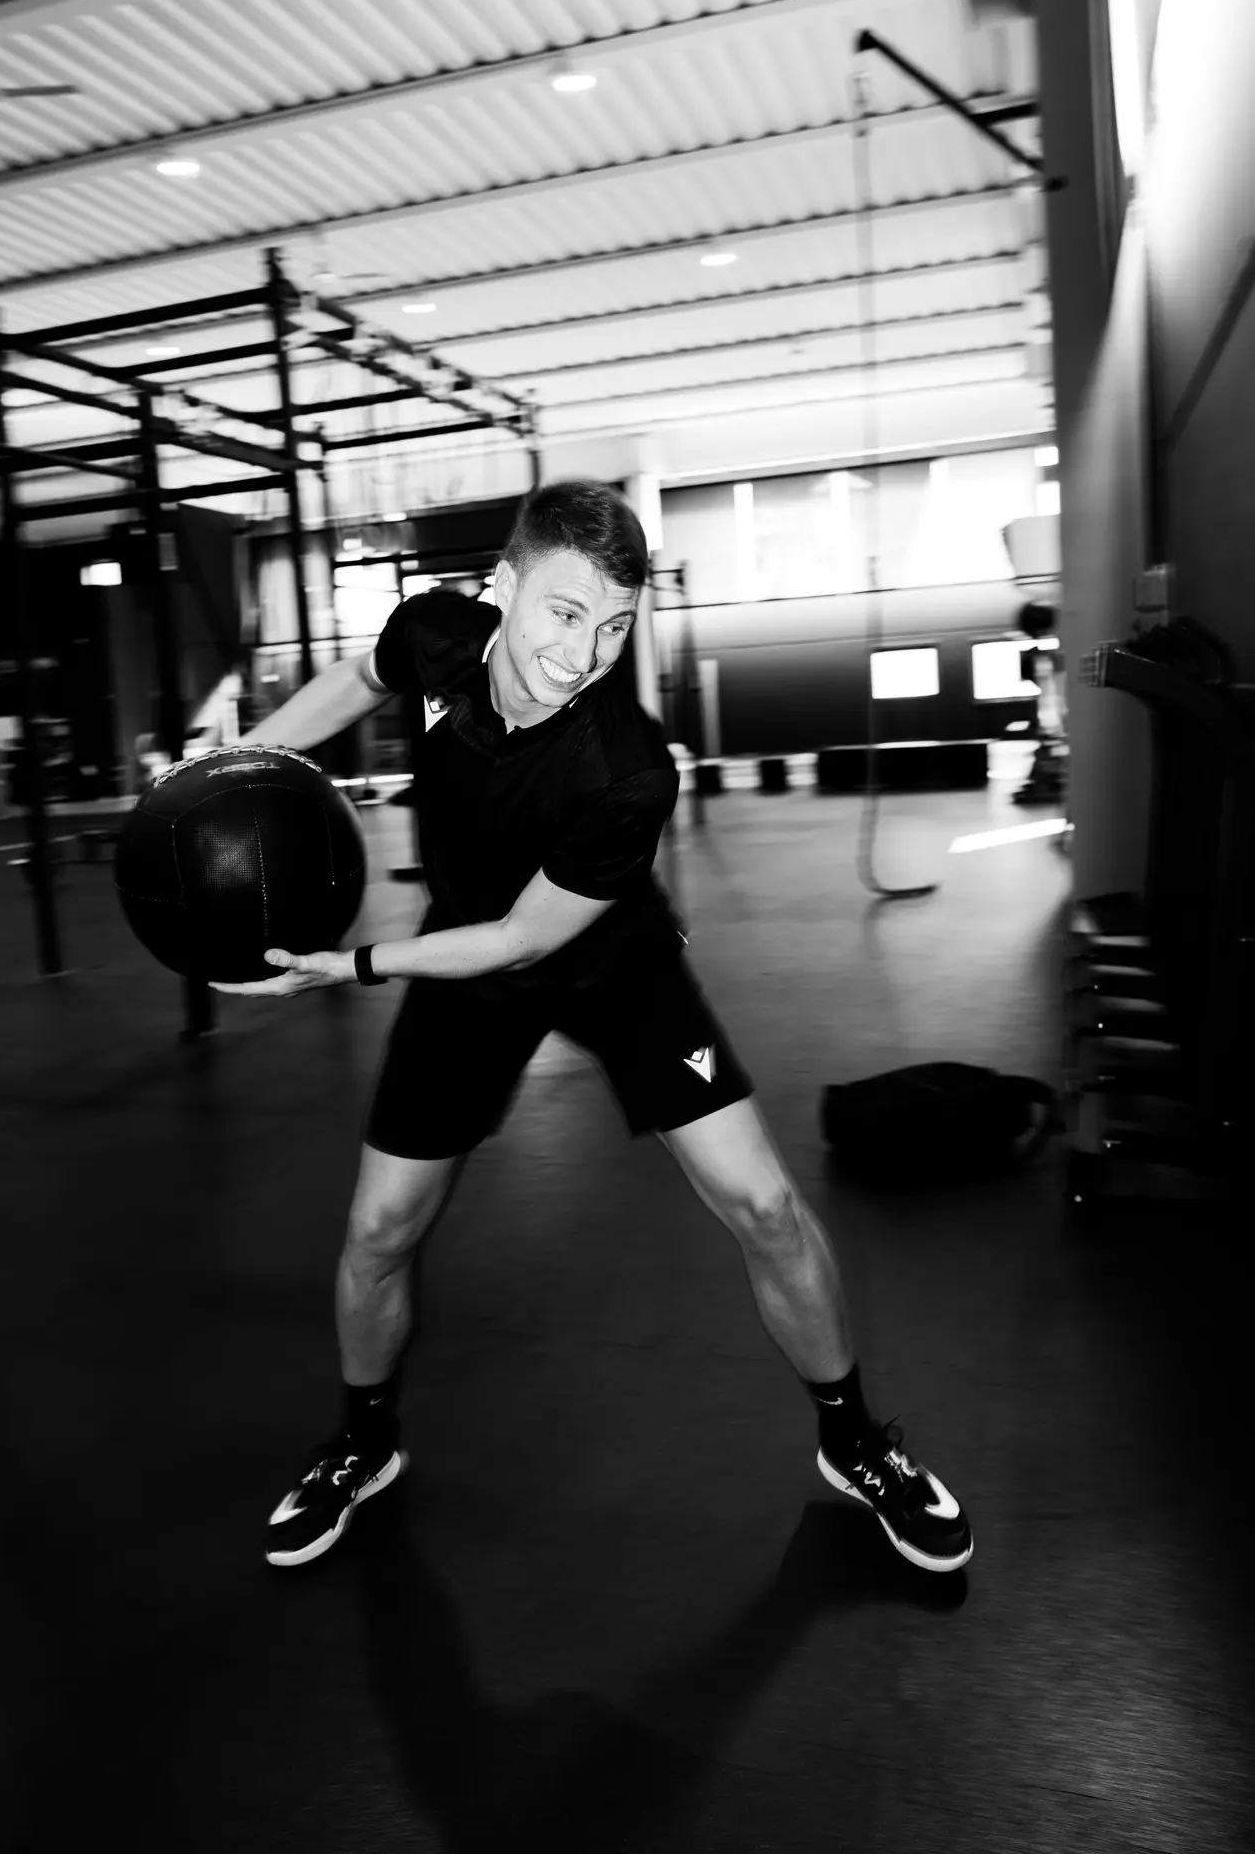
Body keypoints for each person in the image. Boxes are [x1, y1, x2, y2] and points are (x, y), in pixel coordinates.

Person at [217, 481, 973, 1575]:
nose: (583, 654)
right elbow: (352, 680)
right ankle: (362, 1444)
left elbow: (525, 938)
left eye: (615, 627)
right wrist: (237, 768)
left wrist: (353, 966)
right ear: (502, 587)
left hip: (608, 960)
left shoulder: (627, 768)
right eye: (565, 614)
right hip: (466, 960)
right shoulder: (436, 633)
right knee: (379, 1232)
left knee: (765, 1207)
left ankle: (854, 1442)